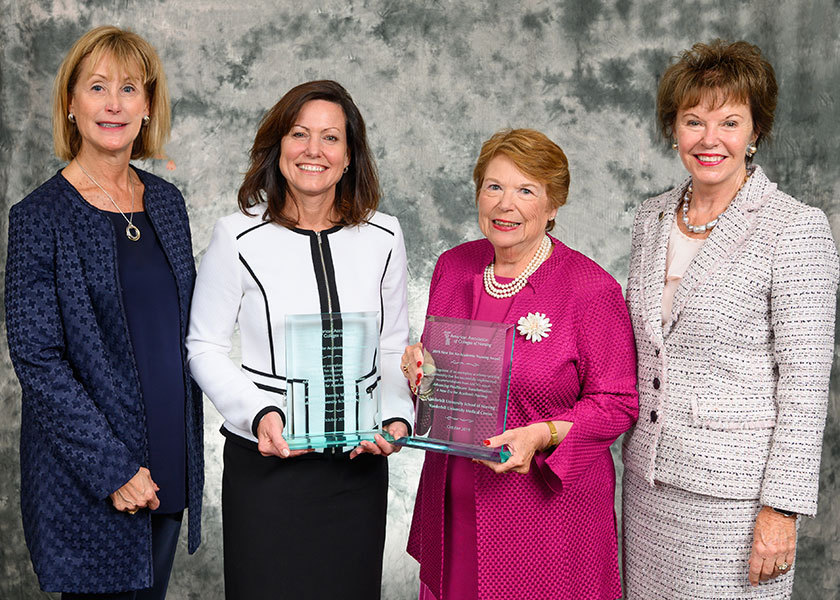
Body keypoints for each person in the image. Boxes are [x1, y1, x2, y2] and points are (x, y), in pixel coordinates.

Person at [622, 39, 839, 600]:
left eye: (729, 121)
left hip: (737, 501)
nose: (709, 139)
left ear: (755, 130)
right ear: (673, 129)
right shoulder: (650, 219)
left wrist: (781, 508)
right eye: (693, 121)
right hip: (647, 489)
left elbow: (806, 385)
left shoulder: (795, 228)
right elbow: (639, 349)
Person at [186, 79, 414, 599]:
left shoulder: (385, 236)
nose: (314, 150)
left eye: (331, 138)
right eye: (299, 134)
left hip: (358, 467)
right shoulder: (236, 236)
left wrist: (397, 417)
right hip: (269, 465)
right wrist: (261, 413)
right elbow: (203, 347)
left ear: (350, 156)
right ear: (279, 146)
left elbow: (392, 347)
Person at [4, 26, 204, 599]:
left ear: (147, 106)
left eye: (129, 89)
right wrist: (112, 468)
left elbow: (185, 325)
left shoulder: (167, 202)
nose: (113, 104)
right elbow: (38, 359)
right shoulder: (40, 216)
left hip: (170, 458)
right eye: (96, 87)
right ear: (71, 104)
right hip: (92, 477)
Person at [401, 128, 639, 599]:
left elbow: (617, 403)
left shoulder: (591, 289)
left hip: (545, 520)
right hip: (453, 504)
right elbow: (446, 389)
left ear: (553, 206)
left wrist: (543, 433)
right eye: (494, 187)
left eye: (525, 190)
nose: (504, 204)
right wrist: (420, 374)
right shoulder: (454, 267)